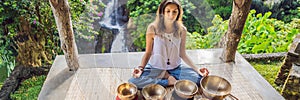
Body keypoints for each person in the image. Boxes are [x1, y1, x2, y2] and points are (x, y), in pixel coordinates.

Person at [128, 0, 209, 89]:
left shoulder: (182, 30)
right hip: (155, 68)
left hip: (176, 68)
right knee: (133, 82)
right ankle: (168, 81)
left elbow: (182, 54)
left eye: (175, 11)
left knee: (200, 79)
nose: (171, 15)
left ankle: (170, 77)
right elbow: (148, 53)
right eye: (168, 11)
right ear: (162, 12)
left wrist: (197, 70)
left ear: (178, 13)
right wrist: (140, 69)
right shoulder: (153, 28)